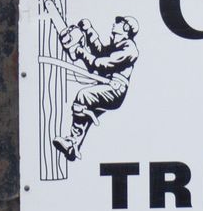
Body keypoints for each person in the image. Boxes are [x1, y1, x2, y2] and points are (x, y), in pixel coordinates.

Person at [48, 11, 139, 161]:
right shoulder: (116, 44)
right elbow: (100, 52)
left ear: (125, 27)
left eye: (118, 22)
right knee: (83, 114)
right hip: (106, 85)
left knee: (84, 96)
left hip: (115, 90)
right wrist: (88, 30)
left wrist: (81, 52)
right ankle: (72, 145)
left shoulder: (129, 49)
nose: (114, 23)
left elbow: (104, 63)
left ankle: (73, 141)